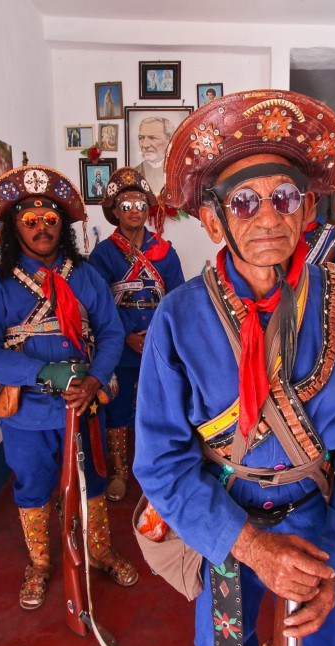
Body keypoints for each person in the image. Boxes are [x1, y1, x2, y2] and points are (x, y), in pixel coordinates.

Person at [135, 89, 335, 646]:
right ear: (211, 222)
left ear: (308, 209)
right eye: (243, 203)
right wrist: (250, 546)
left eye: (285, 198)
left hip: (320, 525)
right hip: (224, 522)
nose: (268, 218)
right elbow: (160, 462)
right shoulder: (178, 318)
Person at [0, 165, 138, 612]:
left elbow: (112, 333)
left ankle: (99, 552)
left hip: (84, 407)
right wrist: (41, 374)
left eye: (51, 220)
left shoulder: (85, 277)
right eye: (30, 220)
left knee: (94, 481)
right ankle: (41, 563)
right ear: (13, 227)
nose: (42, 228)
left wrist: (95, 379)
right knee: (33, 484)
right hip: (27, 414)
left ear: (63, 226)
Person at [89, 167, 185, 501]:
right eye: (126, 204)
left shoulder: (165, 252)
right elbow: (99, 303)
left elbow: (176, 299)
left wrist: (157, 337)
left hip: (157, 347)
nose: (134, 210)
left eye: (140, 203)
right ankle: (118, 472)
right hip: (120, 347)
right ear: (114, 211)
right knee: (117, 410)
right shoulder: (102, 255)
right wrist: (128, 334)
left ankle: (157, 473)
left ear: (148, 209)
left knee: (159, 409)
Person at [134, 116, 174, 193]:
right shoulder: (133, 174)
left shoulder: (181, 174)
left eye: (152, 138)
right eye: (141, 138)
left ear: (170, 140)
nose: (145, 145)